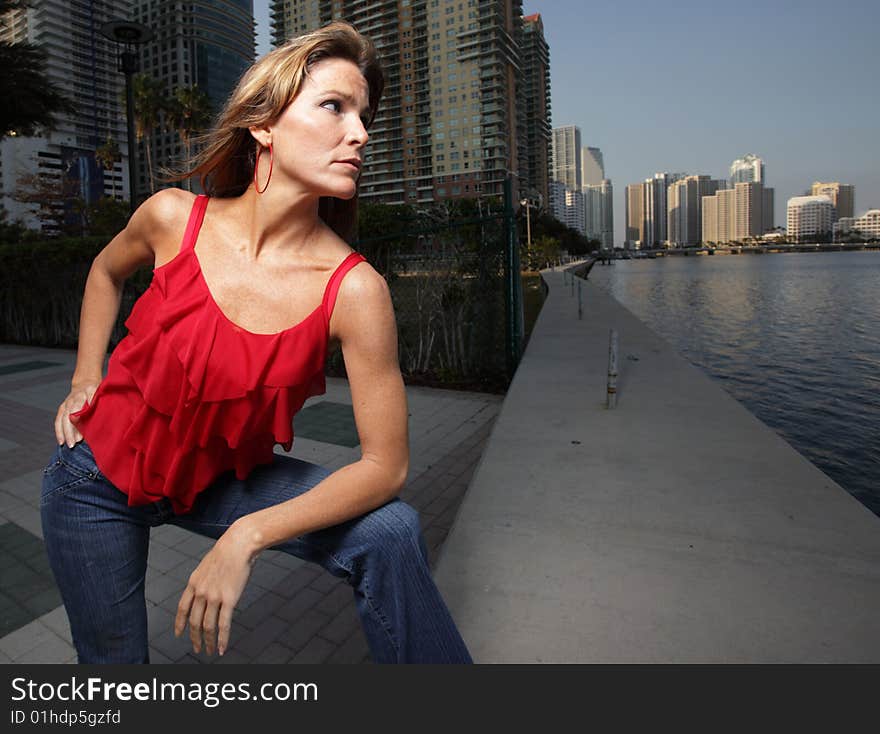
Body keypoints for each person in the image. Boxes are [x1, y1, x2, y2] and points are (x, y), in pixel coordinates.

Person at [40, 21, 472, 664]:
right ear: (264, 125)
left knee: (389, 529)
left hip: (219, 483)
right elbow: (104, 273)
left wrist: (249, 534)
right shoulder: (170, 218)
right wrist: (83, 376)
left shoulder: (355, 291)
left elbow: (387, 469)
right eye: (334, 107)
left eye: (364, 115)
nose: (359, 133)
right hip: (95, 479)